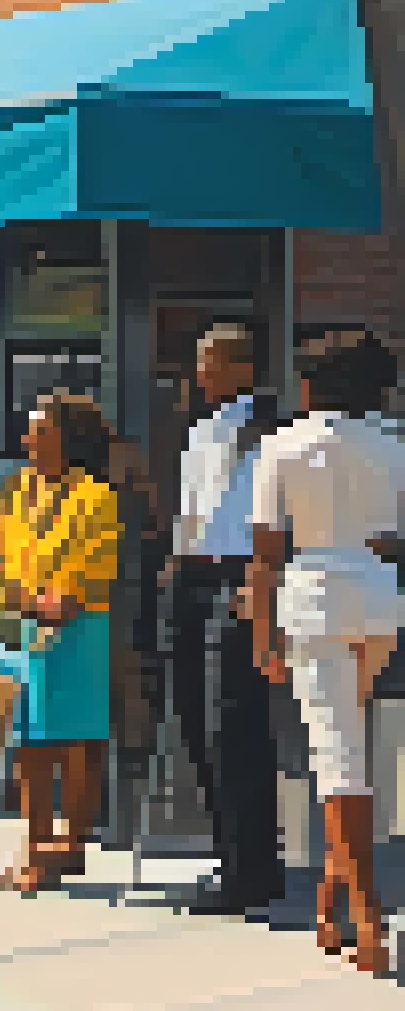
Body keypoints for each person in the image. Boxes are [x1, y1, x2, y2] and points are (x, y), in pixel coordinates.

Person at [246, 327, 405, 974]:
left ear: (309, 385)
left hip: (312, 598)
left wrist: (261, 633)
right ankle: (330, 900)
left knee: (338, 759)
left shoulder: (281, 447)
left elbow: (264, 555)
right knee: (350, 750)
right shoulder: (393, 446)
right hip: (377, 598)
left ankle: (368, 916)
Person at [0, 392, 121, 896]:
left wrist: (66, 595)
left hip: (80, 621)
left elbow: (98, 555)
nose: (28, 437)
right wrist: (4, 606)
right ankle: (36, 845)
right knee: (28, 739)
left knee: (78, 736)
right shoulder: (16, 487)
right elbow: (7, 554)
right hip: (21, 619)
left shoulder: (97, 493)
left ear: (64, 437)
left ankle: (69, 845)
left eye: (38, 429)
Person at [168, 323, 287, 914]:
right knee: (196, 715)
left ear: (241, 365)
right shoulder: (201, 428)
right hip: (194, 573)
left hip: (242, 572)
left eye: (209, 360)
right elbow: (193, 509)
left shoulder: (270, 425)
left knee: (231, 722)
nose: (199, 370)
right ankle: (231, 855)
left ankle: (251, 869)